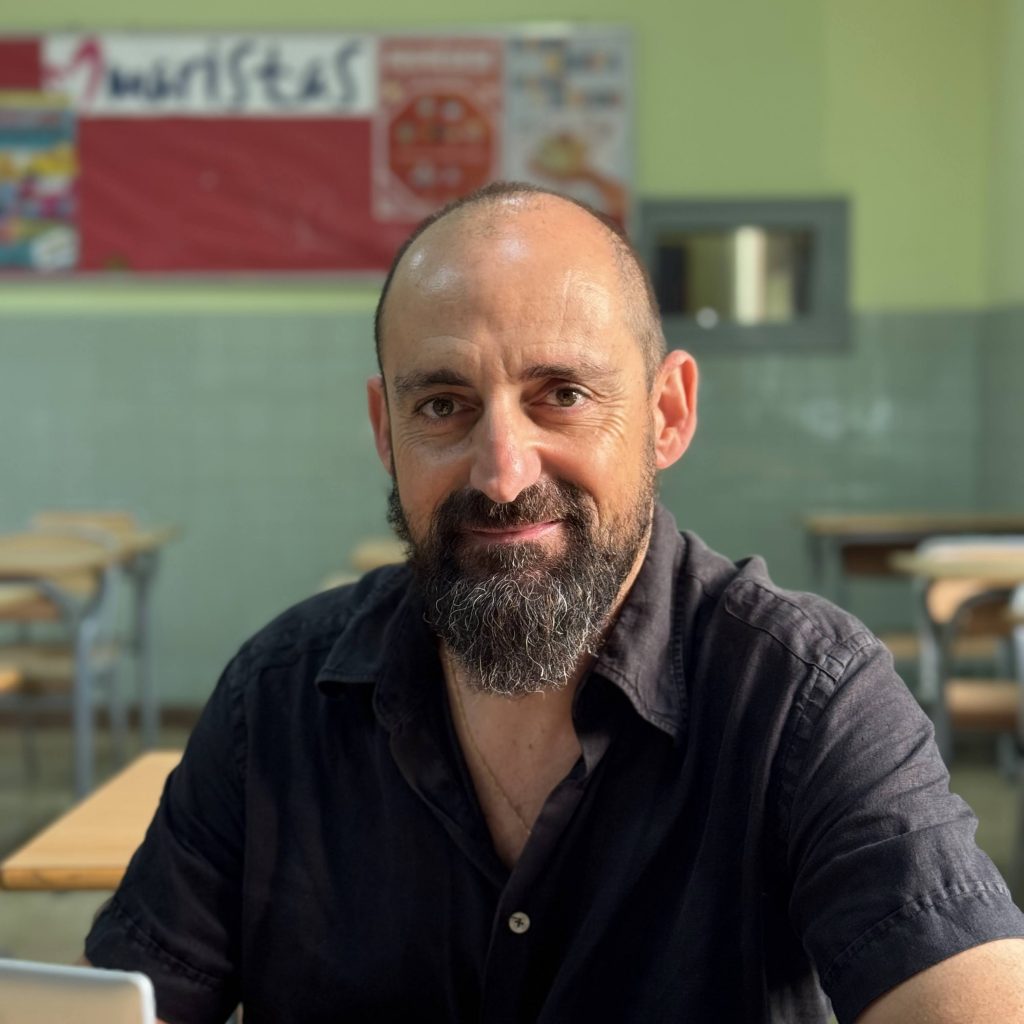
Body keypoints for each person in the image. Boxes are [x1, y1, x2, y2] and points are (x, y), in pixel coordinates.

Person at [84, 182, 1024, 1023]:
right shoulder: (273, 704)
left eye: (562, 395)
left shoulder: (803, 700)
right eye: (443, 405)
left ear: (667, 413)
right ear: (385, 431)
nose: (502, 474)